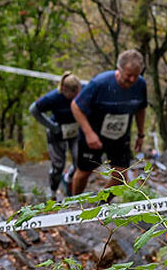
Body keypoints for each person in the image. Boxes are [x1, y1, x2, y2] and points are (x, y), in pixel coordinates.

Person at [69, 51, 148, 195]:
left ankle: (99, 206)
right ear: (119, 69)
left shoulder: (141, 85)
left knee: (120, 176)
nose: (131, 80)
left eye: (135, 76)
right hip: (93, 133)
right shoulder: (100, 83)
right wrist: (89, 133)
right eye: (128, 75)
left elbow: (141, 109)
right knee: (84, 172)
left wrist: (141, 134)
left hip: (120, 136)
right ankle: (74, 207)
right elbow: (76, 106)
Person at [29, 73, 84, 198]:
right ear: (64, 89)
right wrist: (52, 126)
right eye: (72, 95)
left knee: (80, 161)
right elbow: (33, 109)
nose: (75, 97)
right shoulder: (53, 97)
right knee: (58, 166)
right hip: (57, 132)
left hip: (75, 131)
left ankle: (69, 178)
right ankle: (53, 193)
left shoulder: (84, 89)